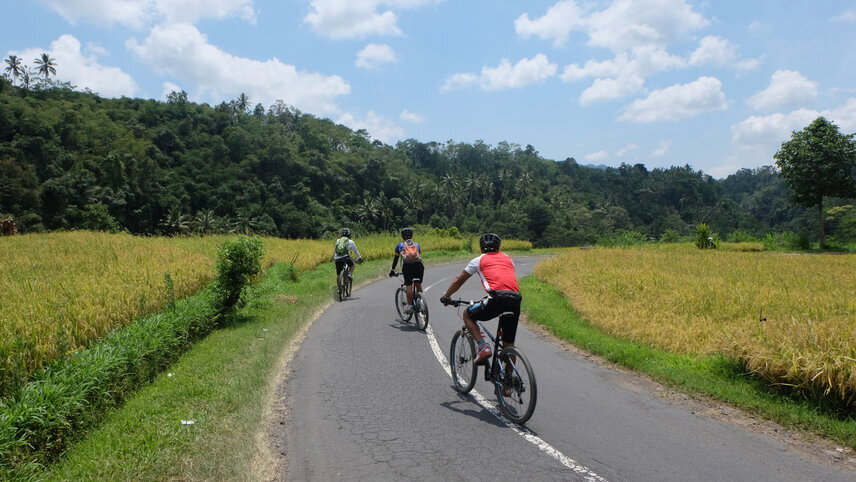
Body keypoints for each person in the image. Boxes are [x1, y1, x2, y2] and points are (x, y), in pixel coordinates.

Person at [440, 233, 521, 364]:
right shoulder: (508, 259)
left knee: (467, 315)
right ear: (498, 247)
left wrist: (446, 296)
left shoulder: (478, 260)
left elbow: (458, 281)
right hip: (515, 299)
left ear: (481, 247)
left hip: (497, 298)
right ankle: (509, 381)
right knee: (509, 345)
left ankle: (483, 347)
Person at [388, 227, 424, 314]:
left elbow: (396, 259)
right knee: (418, 284)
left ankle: (410, 306)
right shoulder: (416, 244)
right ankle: (421, 303)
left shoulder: (400, 245)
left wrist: (392, 270)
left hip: (407, 267)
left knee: (409, 287)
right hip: (419, 266)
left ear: (402, 236)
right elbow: (418, 254)